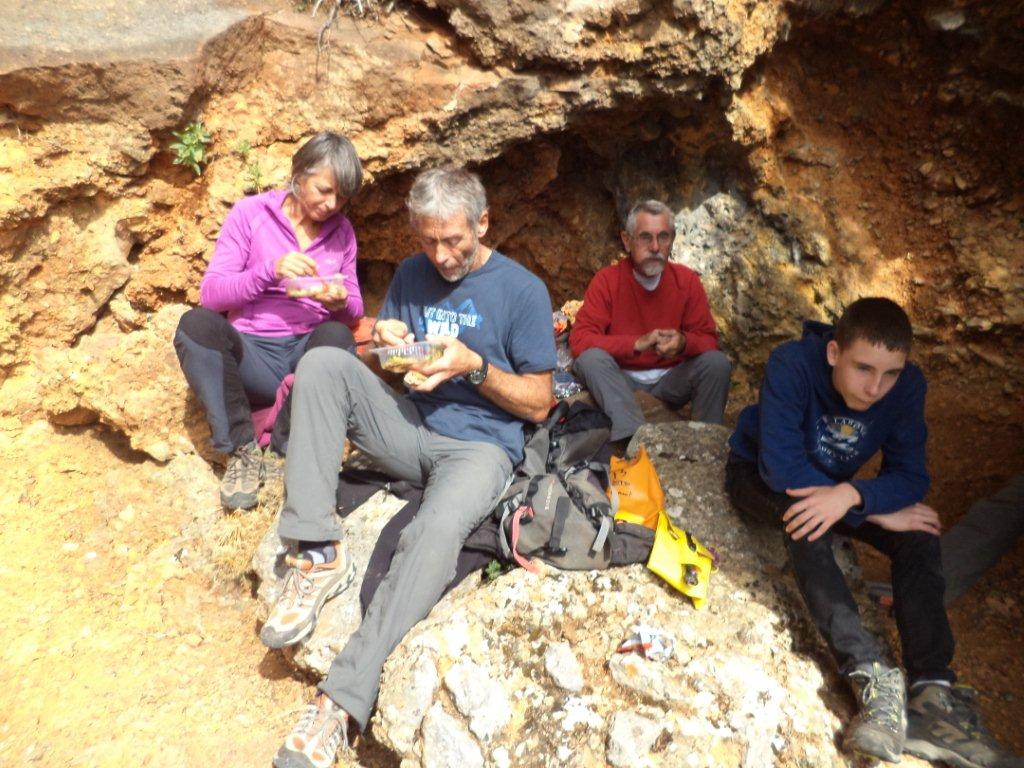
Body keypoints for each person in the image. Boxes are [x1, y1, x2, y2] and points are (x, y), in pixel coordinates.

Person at [260, 167, 556, 768]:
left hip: (480, 447)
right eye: (428, 241)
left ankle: (339, 704)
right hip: (410, 425)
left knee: (435, 532)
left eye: (454, 241)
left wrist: (473, 365)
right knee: (325, 361)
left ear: (483, 223)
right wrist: (383, 344)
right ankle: (316, 550)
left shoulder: (521, 291)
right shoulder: (412, 272)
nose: (441, 256)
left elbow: (540, 401)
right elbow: (386, 363)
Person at [725, 297, 1022, 767]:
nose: (875, 387)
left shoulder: (905, 389)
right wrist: (869, 508)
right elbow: (781, 468)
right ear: (833, 353)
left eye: (890, 374)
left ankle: (932, 694)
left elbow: (911, 476)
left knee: (919, 533)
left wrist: (854, 498)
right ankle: (871, 676)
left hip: (837, 493)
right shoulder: (792, 364)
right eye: (863, 368)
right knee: (807, 520)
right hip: (759, 479)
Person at [174, 131, 364, 510]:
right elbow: (211, 295)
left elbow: (355, 306)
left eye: (341, 197)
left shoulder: (342, 232)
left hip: (303, 359)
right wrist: (269, 271)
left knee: (337, 334)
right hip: (252, 356)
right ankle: (242, 451)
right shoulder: (251, 215)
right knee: (195, 325)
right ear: (299, 174)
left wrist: (338, 301)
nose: (331, 204)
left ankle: (285, 453)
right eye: (324, 190)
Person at [568, 199, 731, 443]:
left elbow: (709, 340)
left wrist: (683, 343)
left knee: (717, 364)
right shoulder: (607, 281)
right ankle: (635, 440)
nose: (655, 247)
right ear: (627, 240)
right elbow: (580, 340)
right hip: (622, 381)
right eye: (645, 237)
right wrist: (636, 343)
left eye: (663, 237)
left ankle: (705, 444)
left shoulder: (686, 281)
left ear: (672, 240)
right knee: (590, 359)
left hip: (672, 380)